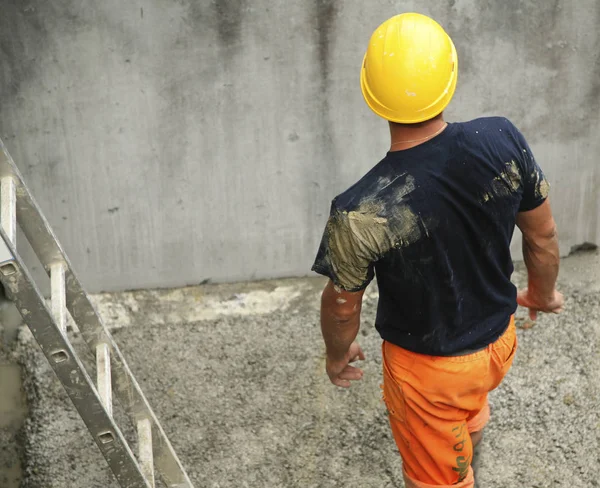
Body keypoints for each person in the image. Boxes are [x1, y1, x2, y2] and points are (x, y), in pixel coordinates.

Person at [311, 12, 564, 488]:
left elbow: (343, 305)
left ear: (371, 94)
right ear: (449, 78)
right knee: (470, 408)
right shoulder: (502, 139)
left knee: (434, 479)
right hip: (498, 343)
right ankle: (468, 453)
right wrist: (544, 293)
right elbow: (542, 237)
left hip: (429, 373)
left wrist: (337, 355)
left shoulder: (361, 208)